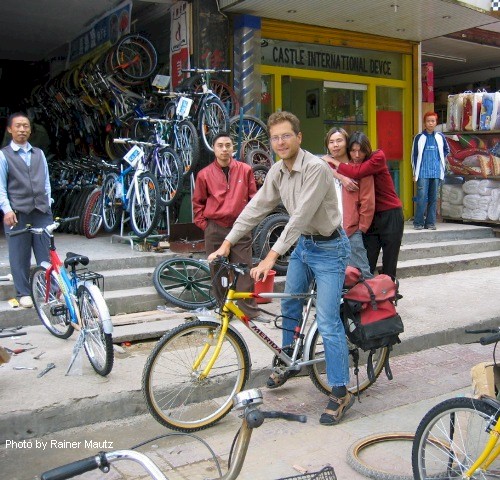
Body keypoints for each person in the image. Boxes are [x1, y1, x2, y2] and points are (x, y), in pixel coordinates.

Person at [208, 112, 353, 426]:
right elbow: (256, 207)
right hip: (304, 246)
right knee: (289, 302)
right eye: (275, 138)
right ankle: (289, 359)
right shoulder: (276, 171)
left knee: (327, 320)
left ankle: (341, 391)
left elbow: (300, 218)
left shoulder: (316, 169)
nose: (281, 142)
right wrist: (228, 243)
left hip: (330, 249)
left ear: (299, 137)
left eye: (286, 135)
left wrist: (271, 257)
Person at [192, 132, 262, 320]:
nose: (224, 149)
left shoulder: (245, 170)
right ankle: (224, 310)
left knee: (244, 270)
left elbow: (253, 198)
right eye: (220, 145)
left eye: (228, 145)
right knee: (218, 271)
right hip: (214, 227)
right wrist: (205, 225)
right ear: (213, 149)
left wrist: (249, 221)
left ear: (233, 148)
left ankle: (250, 313)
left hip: (240, 227)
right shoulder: (204, 174)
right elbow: (198, 202)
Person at [328, 132, 403, 279]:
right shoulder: (352, 164)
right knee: (368, 261)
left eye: (361, 150)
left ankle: (387, 298)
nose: (357, 155)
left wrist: (335, 164)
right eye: (353, 150)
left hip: (390, 214)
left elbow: (357, 172)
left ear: (367, 149)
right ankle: (367, 298)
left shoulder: (377, 157)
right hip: (372, 218)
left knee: (389, 263)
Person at [0, 112, 53, 308]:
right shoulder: (4, 155)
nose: (22, 129)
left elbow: (46, 182)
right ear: (9, 129)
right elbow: (1, 188)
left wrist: (48, 204)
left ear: (30, 129)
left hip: (41, 210)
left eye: (26, 126)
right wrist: (7, 209)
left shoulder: (38, 153)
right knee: (19, 255)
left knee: (45, 253)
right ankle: (23, 292)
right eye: (18, 126)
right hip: (18, 212)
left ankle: (48, 290)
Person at [322, 128, 374, 279]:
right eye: (331, 142)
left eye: (339, 141)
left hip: (351, 230)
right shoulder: (323, 166)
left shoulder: (359, 167)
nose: (335, 145)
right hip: (328, 230)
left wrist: (361, 227)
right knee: (331, 272)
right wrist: (339, 176)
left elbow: (367, 200)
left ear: (347, 143)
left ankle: (369, 300)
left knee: (361, 272)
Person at [411, 111, 450, 230]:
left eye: (433, 121)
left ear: (436, 122)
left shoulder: (440, 137)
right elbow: (414, 156)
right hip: (422, 172)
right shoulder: (419, 137)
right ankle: (418, 223)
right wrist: (414, 172)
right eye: (428, 121)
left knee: (433, 198)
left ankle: (430, 223)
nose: (431, 123)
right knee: (422, 198)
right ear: (425, 123)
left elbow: (446, 150)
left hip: (436, 173)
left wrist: (439, 162)